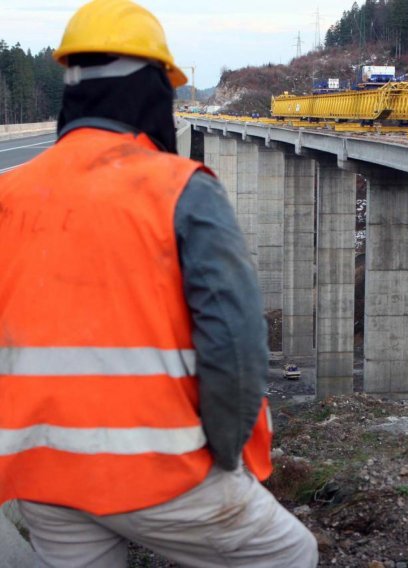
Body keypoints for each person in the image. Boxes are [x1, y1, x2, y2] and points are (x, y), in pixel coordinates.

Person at [0, 1, 317, 566]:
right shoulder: (180, 189)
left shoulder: (9, 192)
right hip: (157, 472)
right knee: (290, 554)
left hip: (39, 471)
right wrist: (223, 458)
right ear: (155, 91)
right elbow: (236, 344)